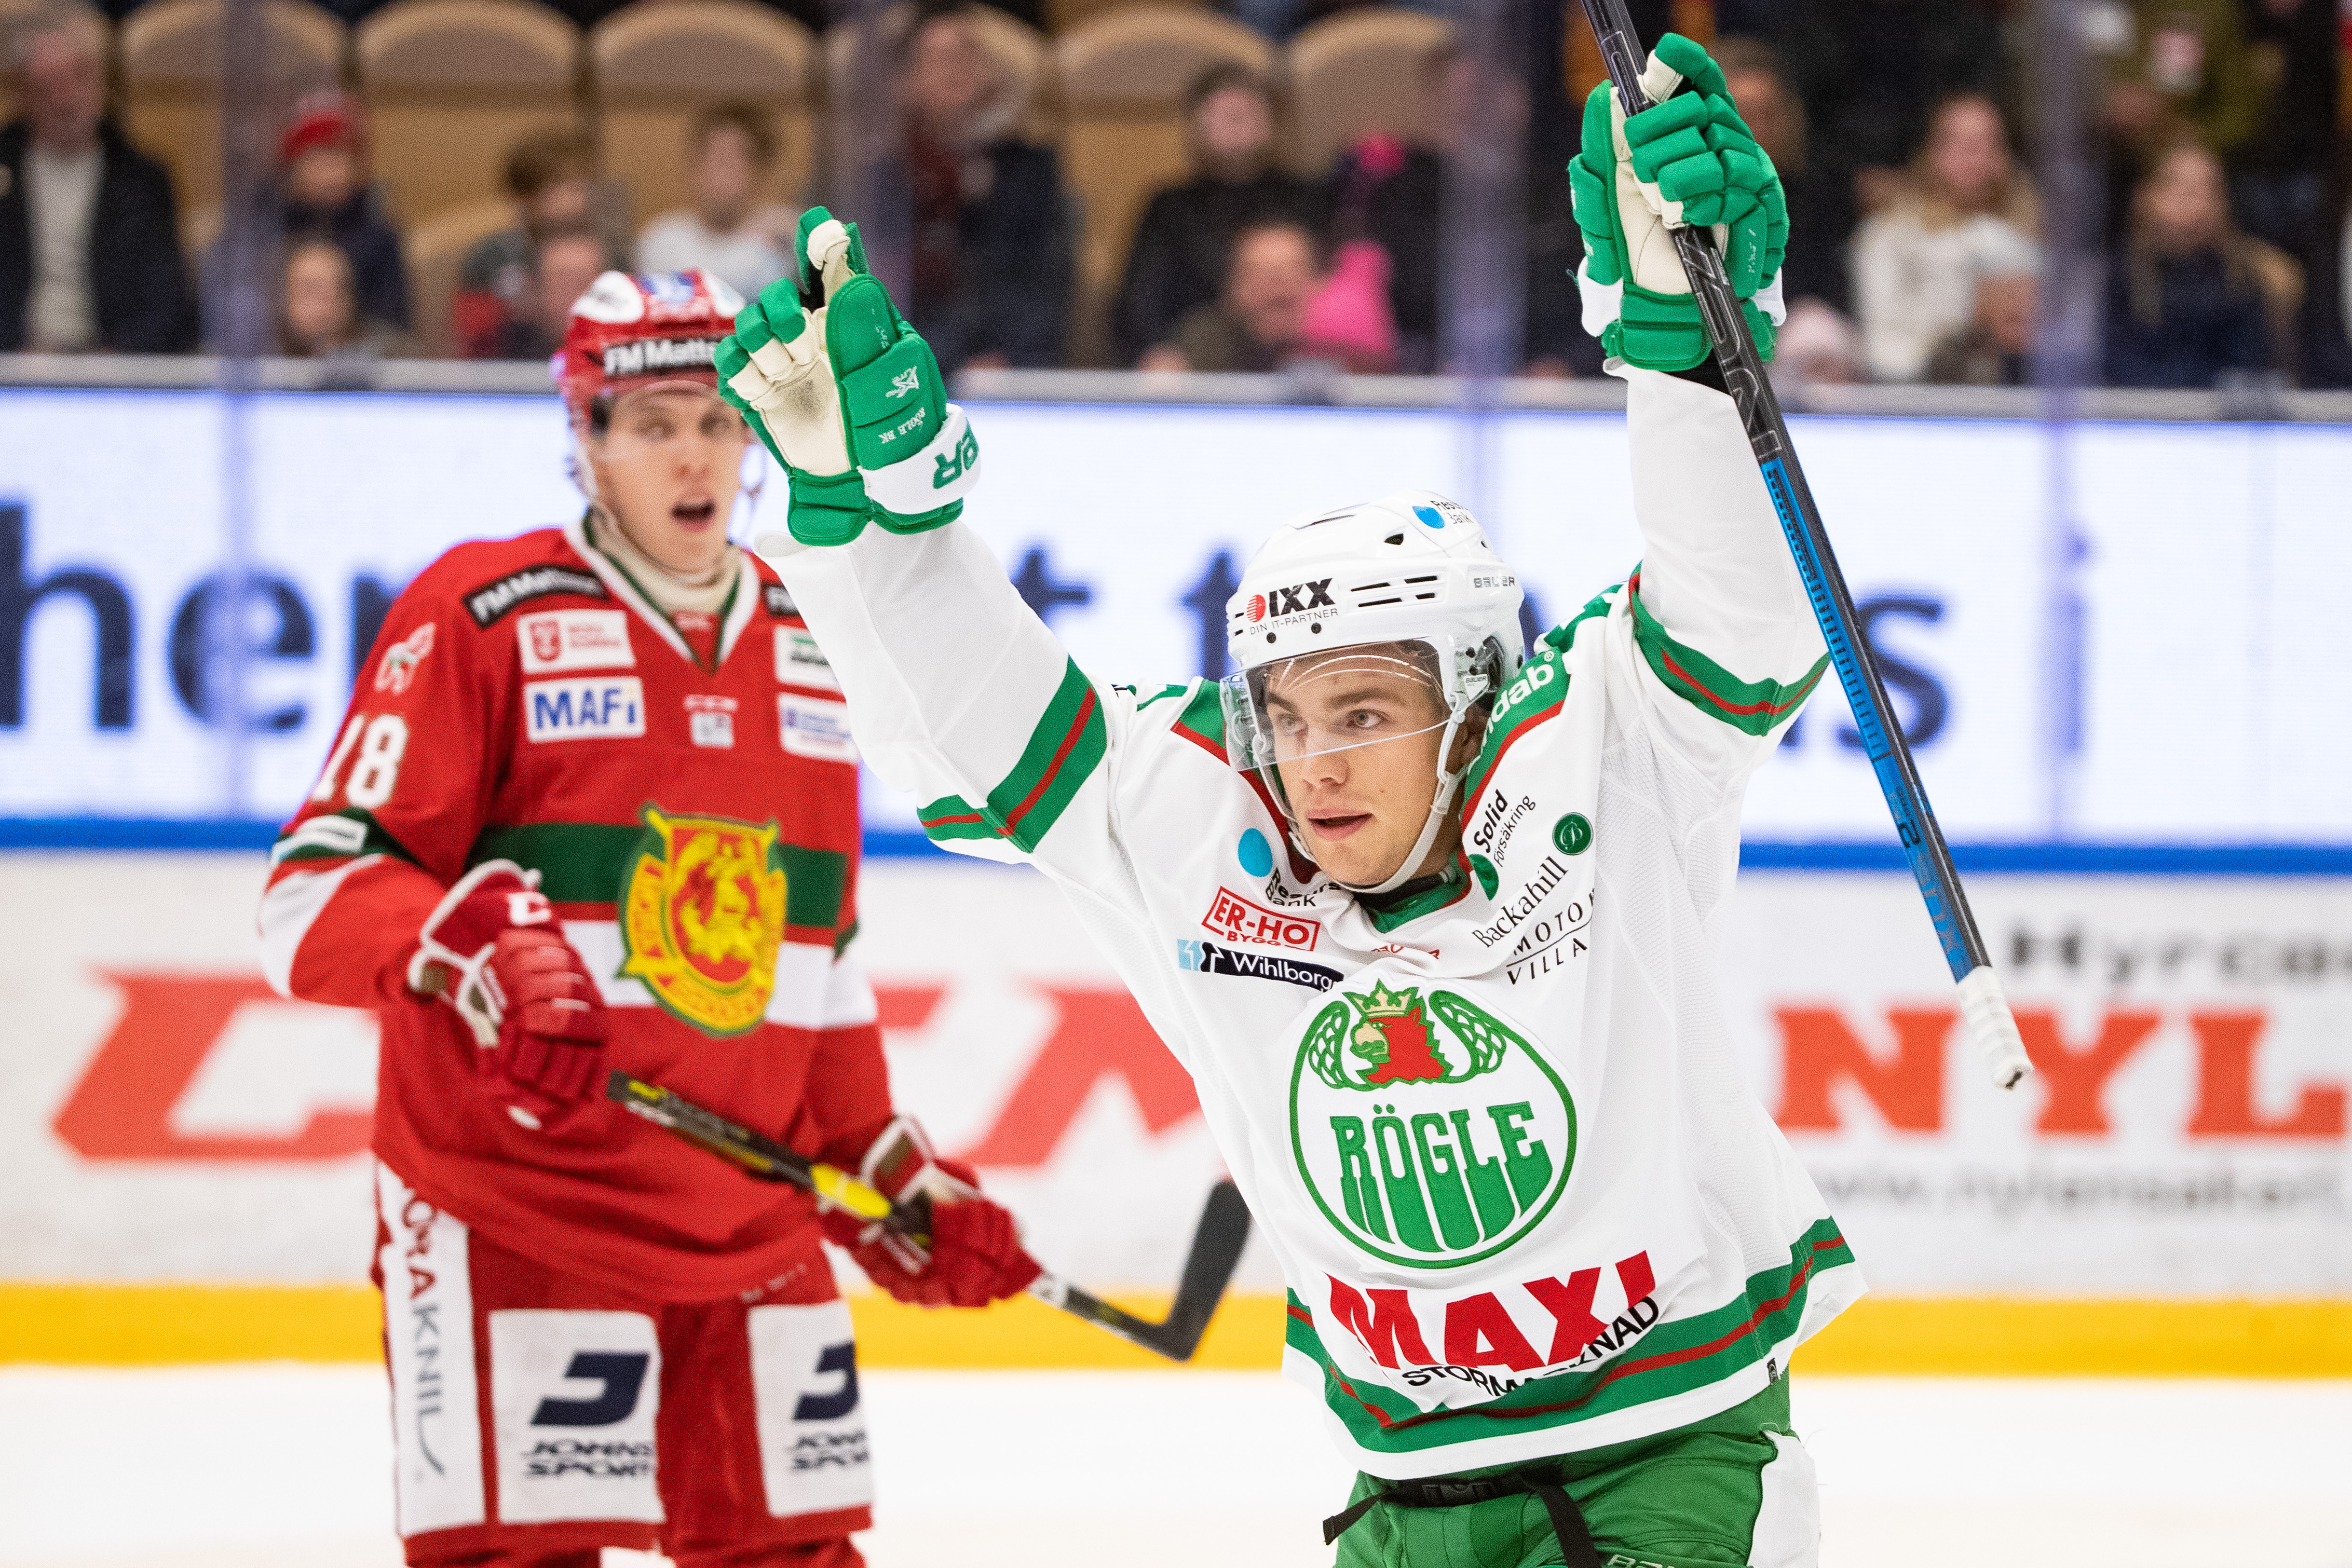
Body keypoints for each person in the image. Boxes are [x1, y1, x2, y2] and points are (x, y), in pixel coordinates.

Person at [719, 33, 1855, 1568]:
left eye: (1369, 712)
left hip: (1672, 1461)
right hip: (1400, 1495)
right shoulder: (1209, 825)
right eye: (1289, 713)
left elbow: (1745, 614)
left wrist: (1681, 338)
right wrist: (859, 520)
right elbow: (971, 739)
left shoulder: (1594, 752)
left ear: (1470, 705)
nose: (1313, 758)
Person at [259, 266, 1038, 1568]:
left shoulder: (813, 635)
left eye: (718, 421)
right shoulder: (483, 613)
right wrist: (472, 949)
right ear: (585, 438)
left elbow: (815, 953)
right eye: (653, 422)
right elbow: (309, 900)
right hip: (515, 1206)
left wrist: (883, 1153)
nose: (695, 457)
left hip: (750, 1219)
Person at [1327, 42, 1586, 376]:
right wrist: (1429, 367)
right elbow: (1380, 315)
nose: (1466, 109)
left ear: (1517, 102)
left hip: (1559, 386)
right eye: (1452, 97)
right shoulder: (1396, 195)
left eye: (1481, 95)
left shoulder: (1570, 191)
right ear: (1431, 107)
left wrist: (1567, 365)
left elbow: (1604, 300)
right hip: (1424, 385)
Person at [0, 0, 197, 352]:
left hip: (113, 370)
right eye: (47, 87)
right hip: (13, 366)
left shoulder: (142, 180)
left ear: (100, 82)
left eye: (77, 79)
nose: (65, 101)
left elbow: (167, 302)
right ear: (23, 94)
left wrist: (112, 357)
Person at [893, 0, 1070, 370]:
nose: (954, 69)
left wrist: (1008, 355)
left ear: (990, 71)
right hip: (907, 367)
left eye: (966, 54)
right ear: (907, 80)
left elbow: (1047, 281)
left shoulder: (1031, 171)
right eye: (938, 58)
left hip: (1008, 367)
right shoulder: (884, 179)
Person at [1112, 63, 1327, 367]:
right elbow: (1138, 303)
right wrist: (1155, 353)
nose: (1235, 122)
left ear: (1272, 123)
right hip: (1195, 364)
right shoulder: (1169, 207)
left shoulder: (1309, 199)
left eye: (1247, 112)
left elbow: (1334, 286)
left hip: (1304, 356)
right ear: (1195, 127)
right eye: (1221, 114)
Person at [1848, 92, 2038, 383]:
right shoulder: (1886, 237)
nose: (1975, 156)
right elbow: (1882, 351)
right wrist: (1970, 314)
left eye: (1988, 143)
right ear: (1932, 153)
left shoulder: (2029, 239)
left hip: (2020, 403)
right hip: (1922, 405)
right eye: (1960, 144)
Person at [2102, 139, 2278, 388]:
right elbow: (2113, 371)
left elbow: (2247, 375)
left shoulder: (2242, 282)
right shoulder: (2117, 278)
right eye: (2183, 190)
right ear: (2145, 197)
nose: (2197, 204)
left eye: (2209, 190)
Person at [451, 128, 623, 360]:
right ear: (525, 197)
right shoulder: (489, 260)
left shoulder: (610, 255)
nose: (575, 196)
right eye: (561, 186)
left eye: (580, 186)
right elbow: (472, 349)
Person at [634, 102, 796, 302]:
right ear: (694, 166)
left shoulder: (788, 233)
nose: (724, 168)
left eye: (737, 157)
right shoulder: (661, 240)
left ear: (759, 171)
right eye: (714, 155)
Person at [275, 92, 410, 331]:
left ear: (357, 166)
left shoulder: (381, 241)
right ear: (293, 168)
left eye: (338, 157)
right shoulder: (265, 235)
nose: (327, 170)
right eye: (315, 157)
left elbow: (395, 326)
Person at [1140, 219, 1323, 373]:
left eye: (1291, 270)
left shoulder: (1345, 343)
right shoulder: (1205, 339)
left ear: (1319, 283)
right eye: (1257, 273)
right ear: (1233, 287)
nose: (1275, 286)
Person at [463, 222, 615, 360]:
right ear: (537, 293)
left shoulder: (627, 350)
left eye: (582, 284)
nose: (574, 298)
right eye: (562, 284)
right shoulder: (505, 350)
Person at [273, 233, 415, 360]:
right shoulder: (263, 364)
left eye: (339, 286)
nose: (329, 300)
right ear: (284, 299)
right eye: (311, 289)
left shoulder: (395, 359)